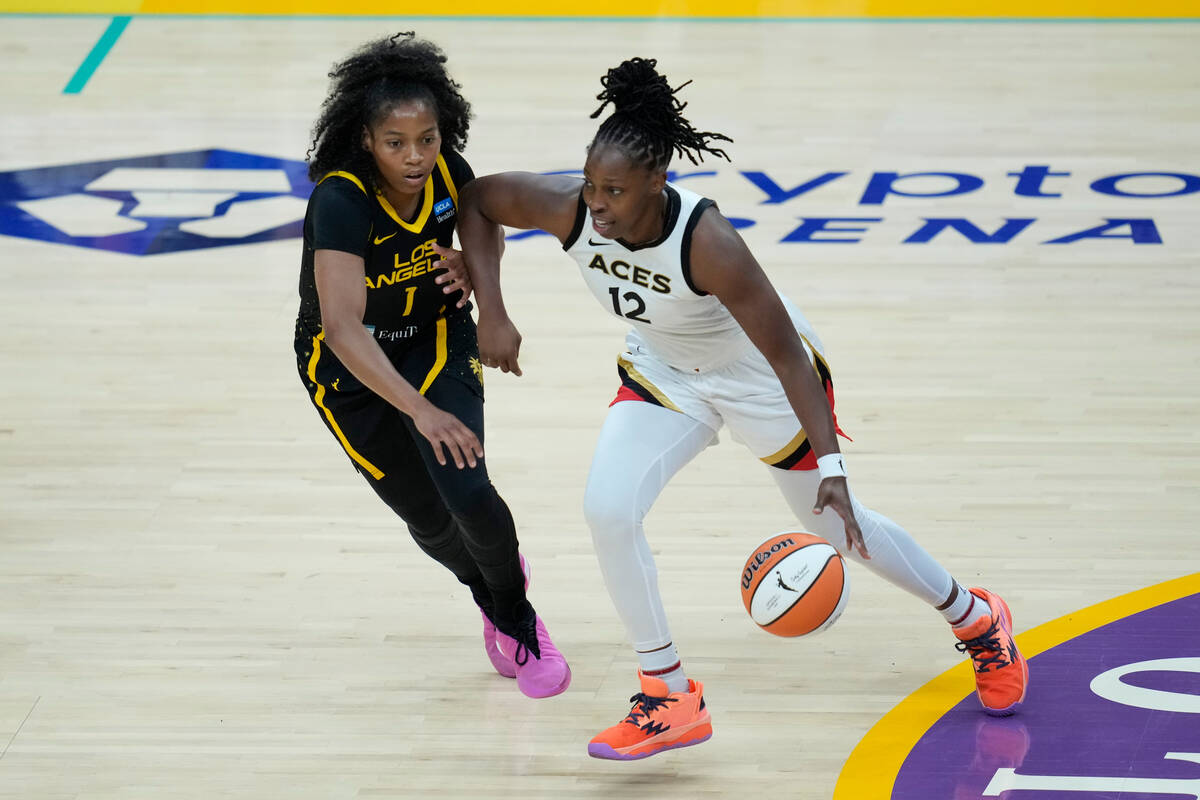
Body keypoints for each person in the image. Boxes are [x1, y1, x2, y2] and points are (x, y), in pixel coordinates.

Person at [453, 57, 1028, 758]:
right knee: (608, 509)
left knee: (840, 528)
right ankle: (667, 695)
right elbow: (478, 201)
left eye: (614, 191)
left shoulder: (709, 243)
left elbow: (788, 358)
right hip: (666, 371)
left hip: (759, 377)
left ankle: (976, 619)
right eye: (591, 184)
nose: (595, 204)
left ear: (657, 183)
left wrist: (835, 467)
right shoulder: (570, 207)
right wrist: (493, 309)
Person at [293, 32, 569, 700]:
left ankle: (521, 619)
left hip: (434, 339)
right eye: (396, 142)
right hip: (347, 367)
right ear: (365, 139)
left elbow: (477, 222)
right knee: (429, 519)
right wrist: (420, 410)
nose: (415, 157)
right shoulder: (342, 199)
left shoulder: (451, 173)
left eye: (428, 139)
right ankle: (491, 592)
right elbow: (341, 325)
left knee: (467, 488)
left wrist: (485, 293)